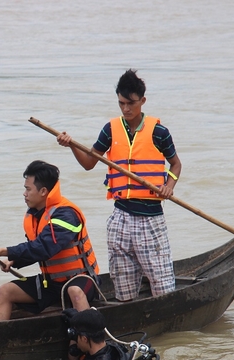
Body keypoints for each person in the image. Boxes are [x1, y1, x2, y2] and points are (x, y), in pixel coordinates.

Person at [57, 69, 182, 302]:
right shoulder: (110, 129)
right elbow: (89, 163)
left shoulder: (159, 132)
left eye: (131, 103)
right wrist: (72, 144)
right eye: (121, 103)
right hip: (120, 217)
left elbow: (175, 164)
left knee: (162, 286)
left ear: (142, 101)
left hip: (150, 220)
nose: (126, 109)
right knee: (123, 288)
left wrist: (169, 185)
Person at [0, 160, 101, 322]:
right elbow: (33, 250)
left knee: (74, 291)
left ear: (43, 191)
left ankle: (90, 341)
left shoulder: (66, 214)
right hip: (51, 283)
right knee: (5, 291)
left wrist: (4, 251)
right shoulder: (35, 216)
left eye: (28, 189)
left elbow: (44, 248)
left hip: (81, 280)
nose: (24, 194)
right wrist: (13, 260)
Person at [64, 308, 134, 360]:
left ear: (84, 339)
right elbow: (74, 358)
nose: (75, 340)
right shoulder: (115, 349)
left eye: (76, 337)